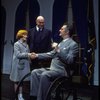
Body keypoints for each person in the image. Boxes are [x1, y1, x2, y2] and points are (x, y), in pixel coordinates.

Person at [30, 24, 79, 100]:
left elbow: (70, 60)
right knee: (34, 72)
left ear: (67, 32)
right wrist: (36, 55)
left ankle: (43, 98)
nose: (60, 30)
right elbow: (51, 54)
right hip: (52, 69)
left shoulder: (73, 44)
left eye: (62, 29)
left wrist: (58, 49)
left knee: (44, 75)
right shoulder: (61, 43)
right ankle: (34, 96)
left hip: (62, 71)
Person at [9, 29, 34, 100]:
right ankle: (16, 96)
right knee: (17, 81)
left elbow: (28, 54)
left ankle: (20, 95)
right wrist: (28, 54)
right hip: (18, 65)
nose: (27, 36)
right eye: (25, 35)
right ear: (21, 35)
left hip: (25, 65)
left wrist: (30, 61)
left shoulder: (26, 45)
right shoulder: (16, 44)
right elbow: (18, 55)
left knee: (21, 81)